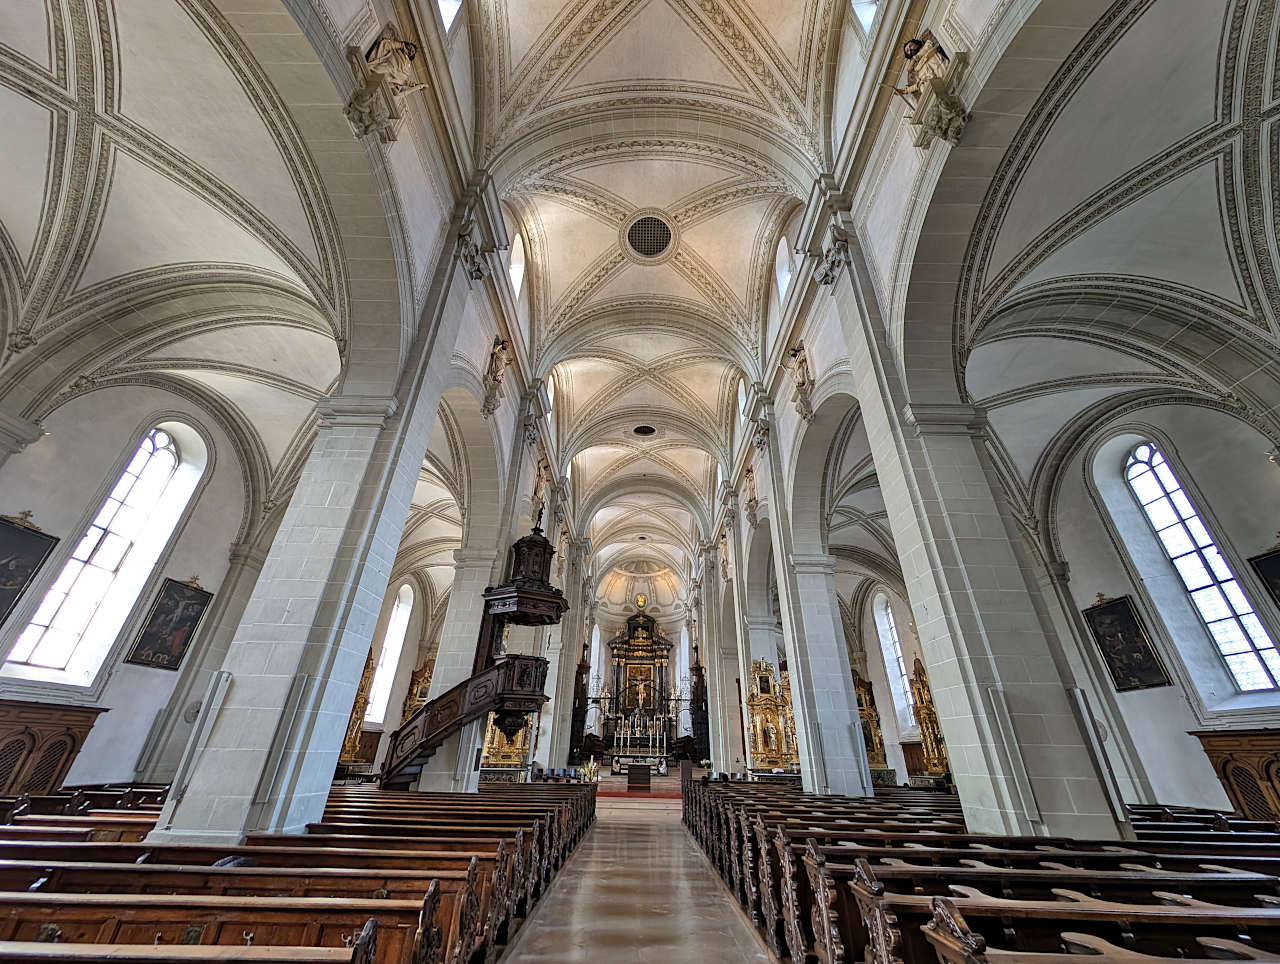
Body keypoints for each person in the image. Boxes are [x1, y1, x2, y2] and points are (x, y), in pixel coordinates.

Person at [895, 36, 950, 102]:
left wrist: (914, 60)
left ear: (915, 43)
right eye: (907, 51)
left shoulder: (927, 44)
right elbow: (920, 83)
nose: (909, 49)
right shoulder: (917, 68)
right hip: (937, 88)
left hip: (945, 72)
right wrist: (905, 91)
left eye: (910, 46)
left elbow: (927, 48)